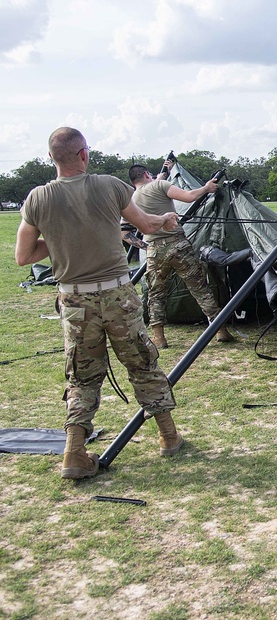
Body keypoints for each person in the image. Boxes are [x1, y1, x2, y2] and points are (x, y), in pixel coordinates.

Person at [15, 127, 183, 479]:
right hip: (118, 295)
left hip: (74, 300)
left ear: (50, 158)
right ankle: (168, 437)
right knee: (142, 363)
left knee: (82, 376)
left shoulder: (37, 199)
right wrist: (165, 219)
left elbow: (23, 255)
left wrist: (59, 237)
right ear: (84, 155)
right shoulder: (110, 185)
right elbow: (146, 224)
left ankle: (74, 454)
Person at [129, 164, 234, 349]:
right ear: (147, 174)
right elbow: (189, 196)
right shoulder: (159, 186)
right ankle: (220, 331)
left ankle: (159, 338)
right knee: (200, 288)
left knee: (156, 295)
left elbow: (125, 233)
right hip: (178, 245)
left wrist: (147, 247)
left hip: (154, 250)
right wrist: (207, 187)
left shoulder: (132, 199)